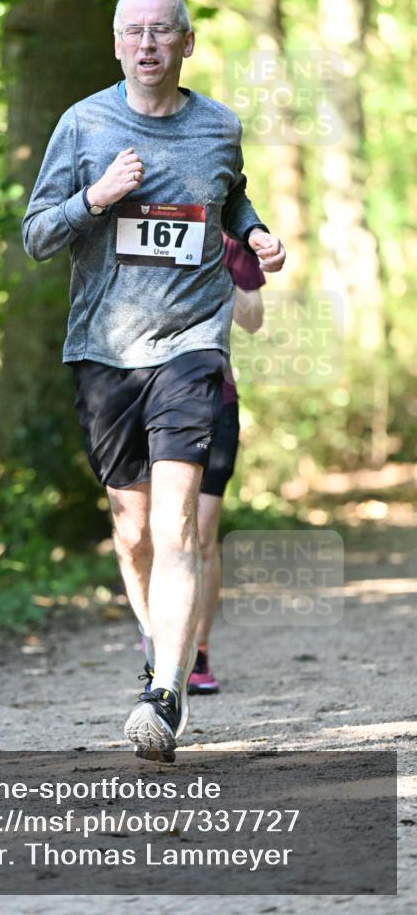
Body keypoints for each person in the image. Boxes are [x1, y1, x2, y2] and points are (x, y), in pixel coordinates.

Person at [23, 0, 285, 762]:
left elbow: (230, 202)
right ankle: (155, 643)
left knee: (176, 524)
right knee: (133, 532)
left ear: (185, 43)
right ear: (115, 45)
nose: (147, 44)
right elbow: (38, 234)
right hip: (104, 349)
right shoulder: (83, 125)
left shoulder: (218, 127)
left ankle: (165, 689)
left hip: (191, 345)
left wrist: (259, 233)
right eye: (133, 31)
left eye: (161, 31)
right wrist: (95, 198)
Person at [187, 232, 265, 695]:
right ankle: (159, 639)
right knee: (151, 532)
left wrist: (223, 264)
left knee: (201, 534)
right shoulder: (136, 216)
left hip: (217, 399)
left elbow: (253, 320)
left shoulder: (231, 239)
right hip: (142, 397)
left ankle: (197, 650)